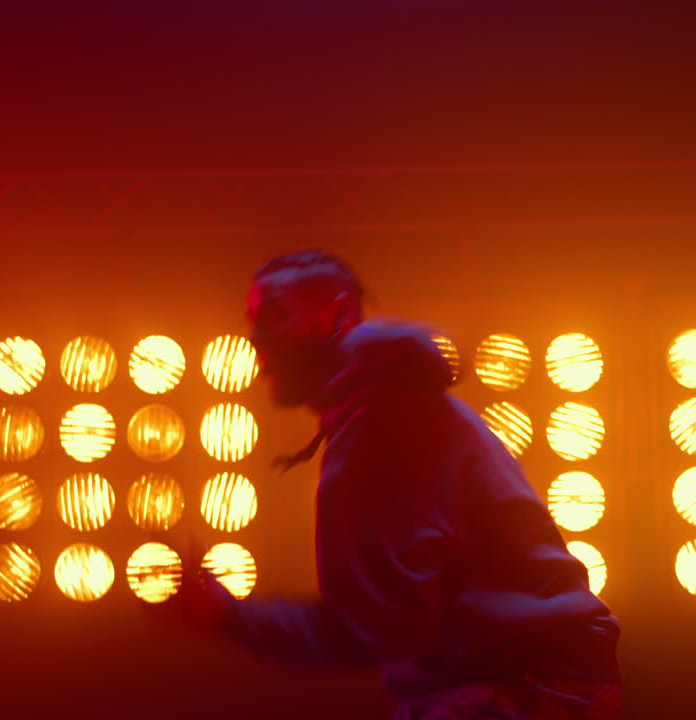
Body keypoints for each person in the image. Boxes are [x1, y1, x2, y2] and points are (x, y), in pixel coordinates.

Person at [178, 251, 621, 719]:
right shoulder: (387, 414)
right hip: (530, 688)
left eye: (275, 315)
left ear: (340, 314)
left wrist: (231, 618)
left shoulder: (385, 426)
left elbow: (382, 627)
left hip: (518, 693)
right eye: (253, 321)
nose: (256, 339)